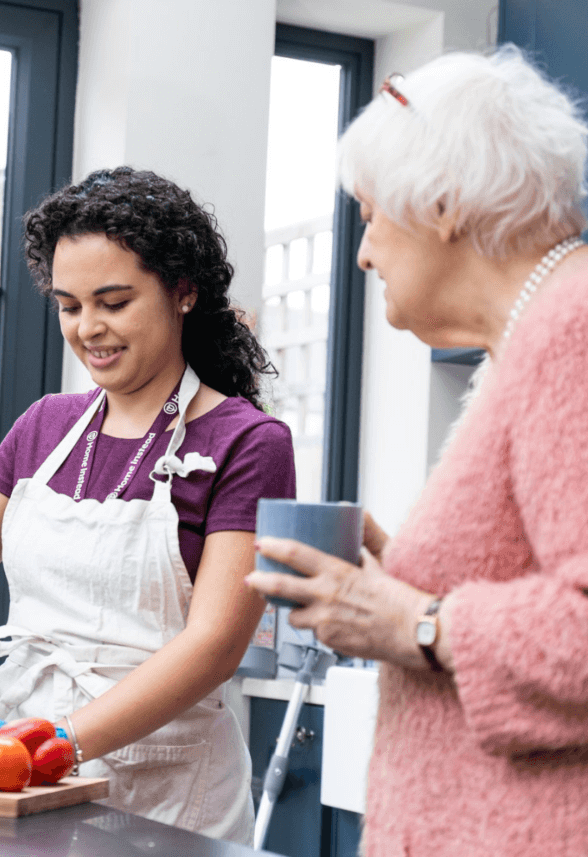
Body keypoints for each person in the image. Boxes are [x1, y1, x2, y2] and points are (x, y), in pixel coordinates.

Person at [246, 46, 588, 856]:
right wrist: (392, 589)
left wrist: (418, 623)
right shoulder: (530, 337)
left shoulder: (570, 329)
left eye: (369, 213)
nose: (363, 252)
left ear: (440, 202)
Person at [0, 166, 296, 843]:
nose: (89, 329)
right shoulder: (46, 425)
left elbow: (214, 645)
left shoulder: (248, 442)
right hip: (16, 770)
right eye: (69, 305)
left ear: (184, 292)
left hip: (166, 792)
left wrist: (59, 740)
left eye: (113, 301)